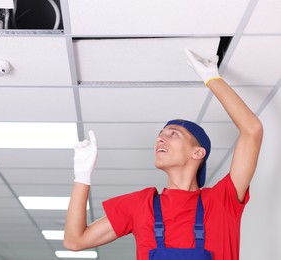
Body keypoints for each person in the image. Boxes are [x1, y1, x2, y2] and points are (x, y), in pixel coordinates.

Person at [63, 49, 263, 260]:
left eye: (173, 134)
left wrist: (211, 78)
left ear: (198, 152)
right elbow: (75, 240)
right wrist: (82, 178)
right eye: (160, 135)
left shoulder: (222, 201)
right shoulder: (140, 205)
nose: (160, 139)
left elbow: (252, 130)